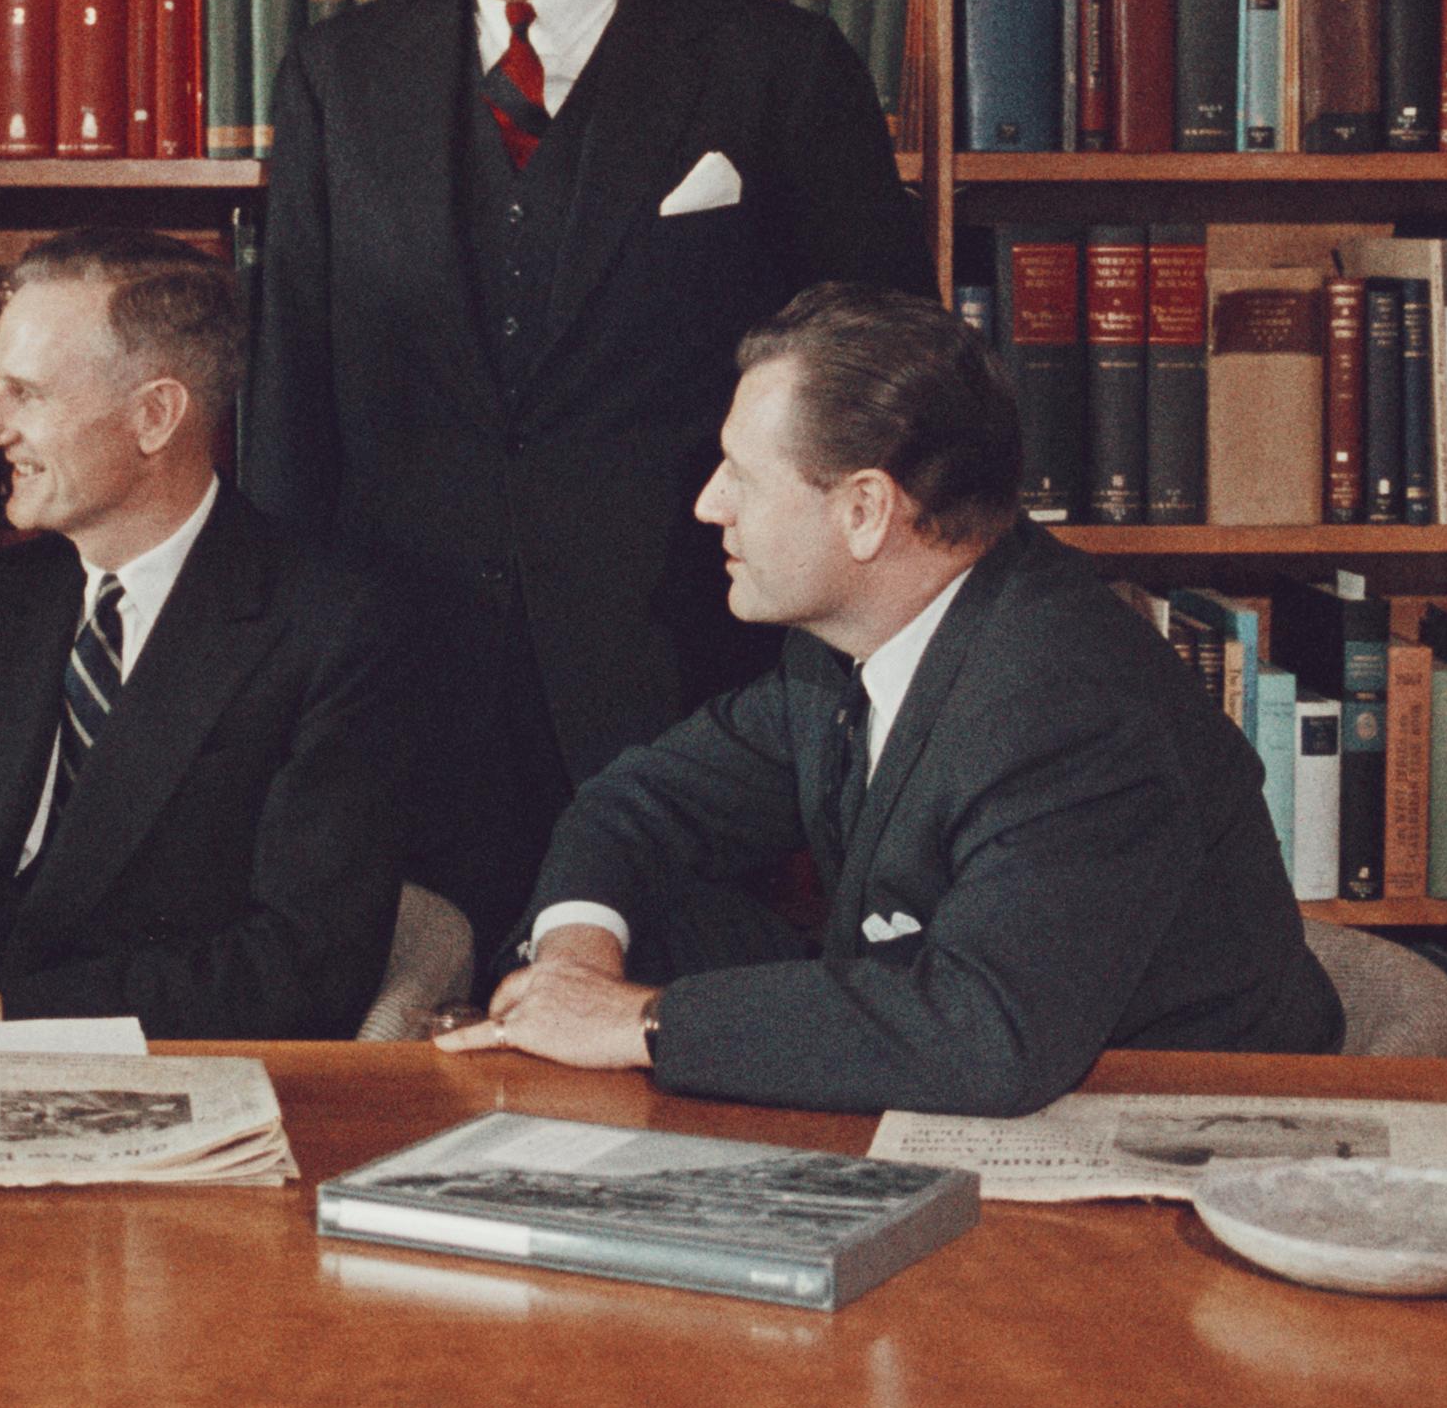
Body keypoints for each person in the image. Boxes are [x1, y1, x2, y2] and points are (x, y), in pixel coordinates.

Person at [248, 0, 927, 973]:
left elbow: (888, 393)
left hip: (692, 706)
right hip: (406, 708)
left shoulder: (776, 70)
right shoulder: (338, 81)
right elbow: (291, 411)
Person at [443, 284, 1340, 1115]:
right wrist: (574, 962)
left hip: (1182, 1132)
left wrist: (636, 1021)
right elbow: (636, 801)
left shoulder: (1064, 700)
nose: (709, 505)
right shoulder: (847, 638)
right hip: (986, 1085)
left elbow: (986, 1031)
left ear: (867, 509)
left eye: (741, 476)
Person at [0, 231, 421, 1040]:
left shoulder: (330, 626)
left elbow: (302, 962)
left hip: (151, 1075)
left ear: (154, 416)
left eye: (25, 393)